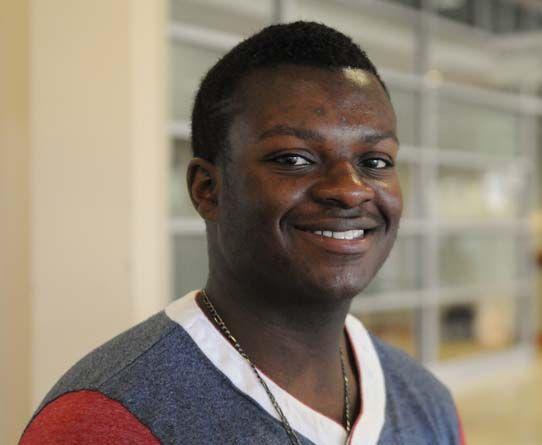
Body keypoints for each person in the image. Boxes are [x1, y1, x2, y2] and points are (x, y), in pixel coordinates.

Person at [21, 21, 466, 445]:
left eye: (375, 162)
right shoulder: (105, 422)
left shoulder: (425, 400)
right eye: (293, 159)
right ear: (207, 189)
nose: (350, 190)